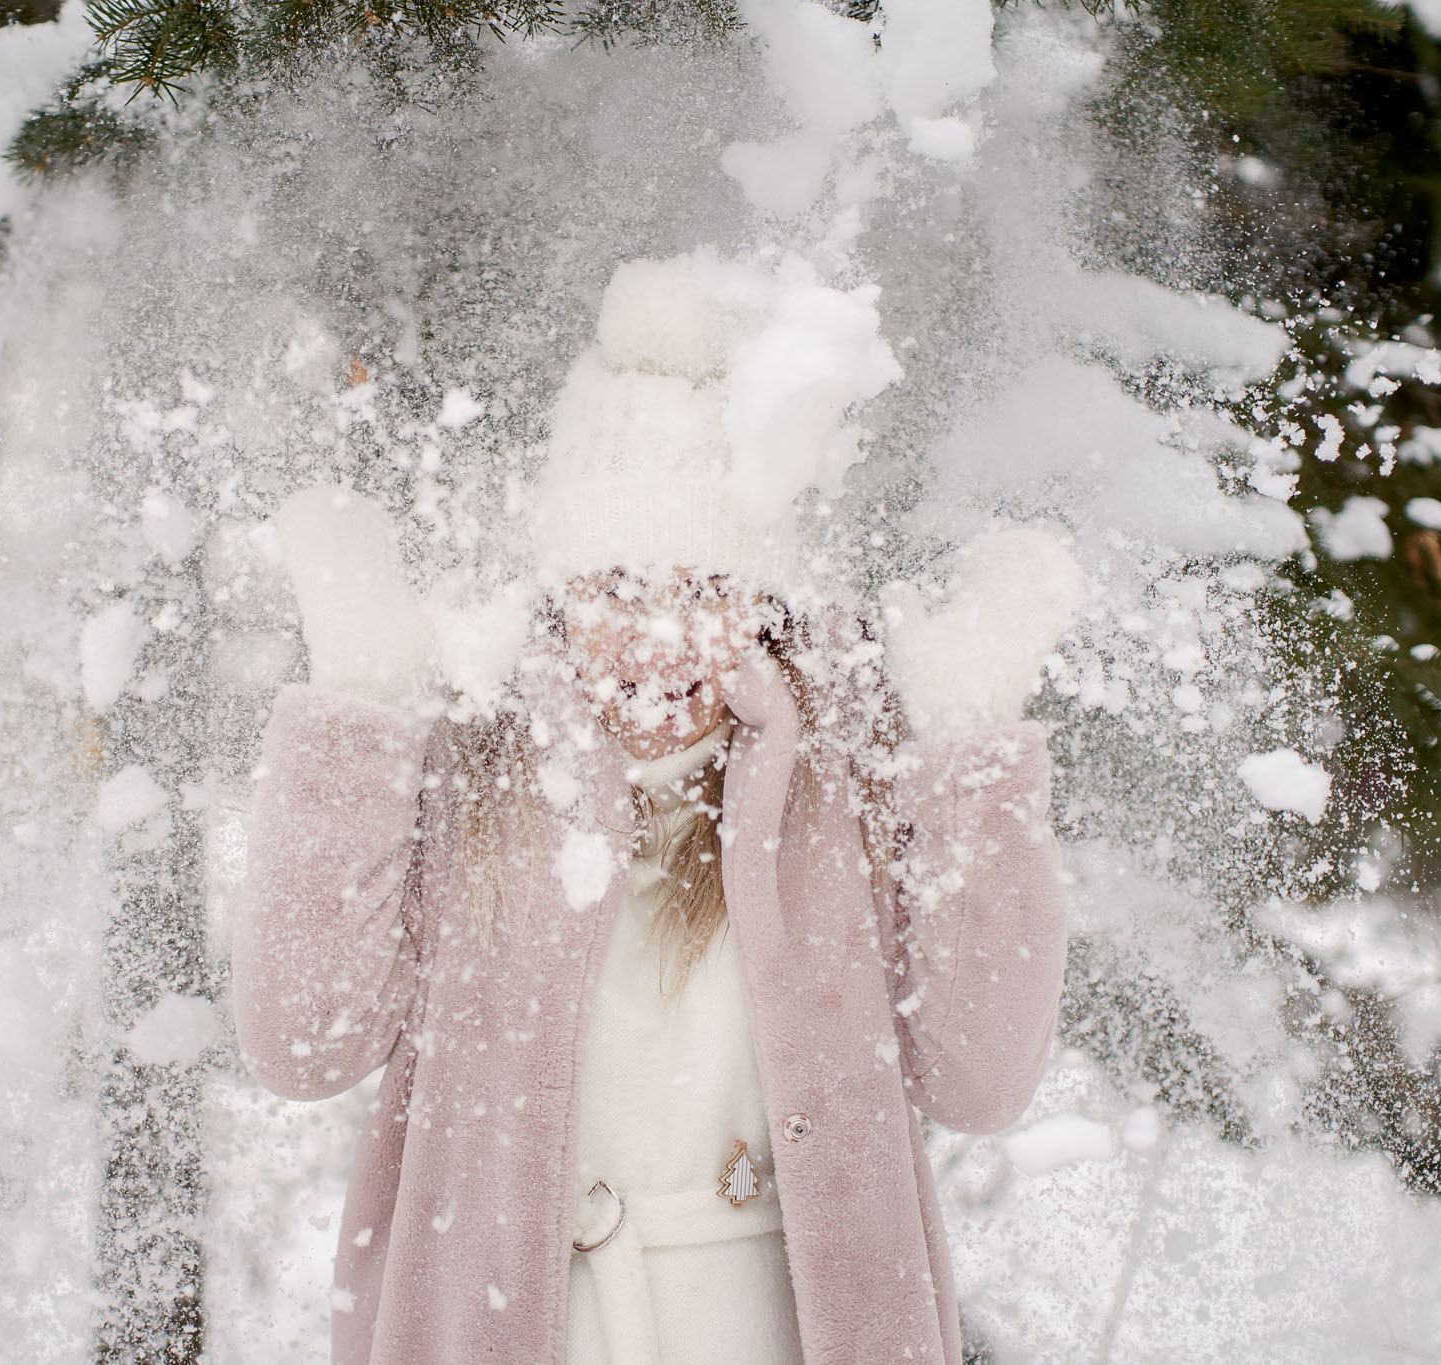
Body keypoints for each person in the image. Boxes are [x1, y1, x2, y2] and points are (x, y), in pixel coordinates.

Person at [233, 253, 1071, 1365]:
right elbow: (302, 1044)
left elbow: (981, 1080)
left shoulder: (838, 788)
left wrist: (971, 750)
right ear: (556, 598)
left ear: (766, 608)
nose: (659, 642)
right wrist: (358, 703)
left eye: (709, 592)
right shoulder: (472, 778)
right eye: (616, 591)